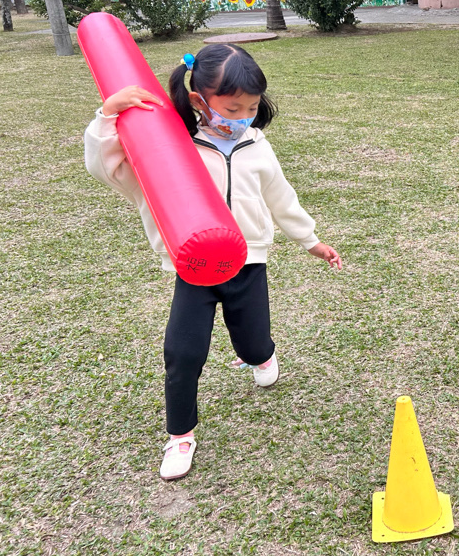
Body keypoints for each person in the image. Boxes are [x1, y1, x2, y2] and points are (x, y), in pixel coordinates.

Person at [84, 44, 342, 481]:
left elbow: (281, 197)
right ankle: (180, 435)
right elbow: (106, 167)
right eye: (233, 108)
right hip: (194, 269)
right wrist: (107, 116)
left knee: (253, 345)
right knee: (182, 353)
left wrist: (310, 240)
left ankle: (261, 357)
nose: (243, 117)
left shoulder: (256, 145)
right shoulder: (170, 146)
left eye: (252, 108)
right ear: (199, 99)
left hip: (249, 264)